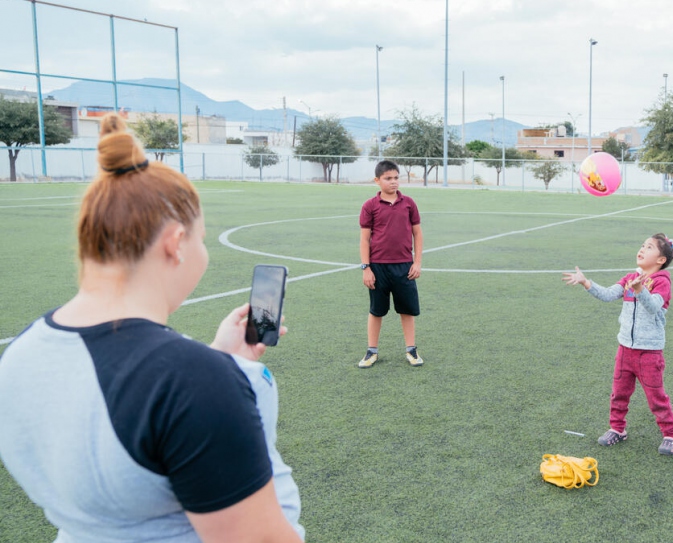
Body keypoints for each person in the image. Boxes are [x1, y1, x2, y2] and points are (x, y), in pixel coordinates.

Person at [0, 113, 304, 542]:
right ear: (175, 243)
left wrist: (217, 359)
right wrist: (235, 386)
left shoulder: (21, 353)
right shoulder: (196, 384)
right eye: (201, 238)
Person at [562, 233, 673, 456]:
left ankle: (670, 435)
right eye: (642, 245)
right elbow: (608, 295)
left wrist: (640, 290)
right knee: (619, 392)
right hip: (625, 348)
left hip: (649, 352)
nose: (642, 249)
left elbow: (655, 306)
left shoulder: (662, 281)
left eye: (649, 247)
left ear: (661, 260)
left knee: (656, 396)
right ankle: (617, 429)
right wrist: (586, 282)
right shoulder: (629, 277)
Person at [357, 160, 424, 368]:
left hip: (404, 267)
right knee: (376, 310)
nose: (393, 182)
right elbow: (364, 239)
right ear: (377, 180)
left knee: (407, 310)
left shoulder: (409, 203)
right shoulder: (370, 206)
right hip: (378, 268)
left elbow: (417, 233)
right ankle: (371, 351)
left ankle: (411, 350)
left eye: (396, 177)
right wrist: (366, 267)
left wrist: (417, 262)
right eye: (388, 178)